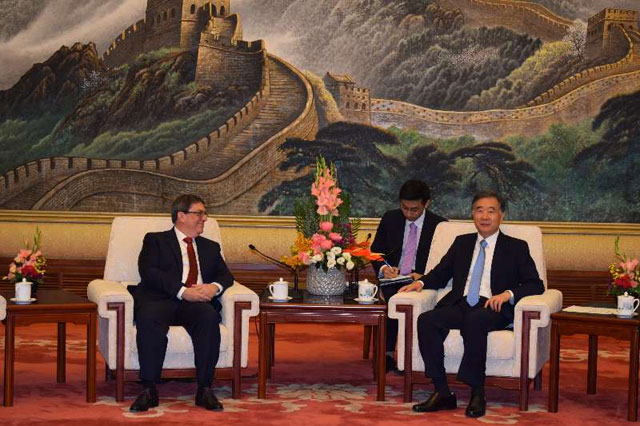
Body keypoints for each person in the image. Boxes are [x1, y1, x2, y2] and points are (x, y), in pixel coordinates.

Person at [398, 191, 544, 418]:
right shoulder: (462, 243)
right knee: (427, 320)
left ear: (502, 215)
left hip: (493, 307)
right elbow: (440, 273)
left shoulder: (516, 247)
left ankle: (477, 392)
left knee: (476, 320)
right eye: (479, 210)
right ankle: (442, 391)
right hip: (462, 303)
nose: (484, 216)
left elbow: (536, 284)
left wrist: (507, 294)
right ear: (472, 214)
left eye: (491, 211)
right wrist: (420, 283)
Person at [129, 194, 234, 412]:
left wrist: (213, 287)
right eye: (199, 213)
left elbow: (226, 276)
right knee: (148, 318)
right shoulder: (155, 241)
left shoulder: (210, 247)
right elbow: (149, 272)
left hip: (196, 305)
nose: (205, 218)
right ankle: (149, 389)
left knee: (208, 317)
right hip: (161, 299)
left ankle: (204, 389)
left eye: (205, 214)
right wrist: (183, 292)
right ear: (181, 216)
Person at [371, 179, 447, 372]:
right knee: (393, 299)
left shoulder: (440, 226)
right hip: (393, 279)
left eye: (414, 210)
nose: (409, 214)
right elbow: (376, 252)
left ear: (426, 203)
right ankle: (388, 354)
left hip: (421, 282)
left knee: (410, 303)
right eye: (404, 208)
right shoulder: (390, 219)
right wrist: (384, 269)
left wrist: (424, 276)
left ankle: (412, 357)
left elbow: (445, 264)